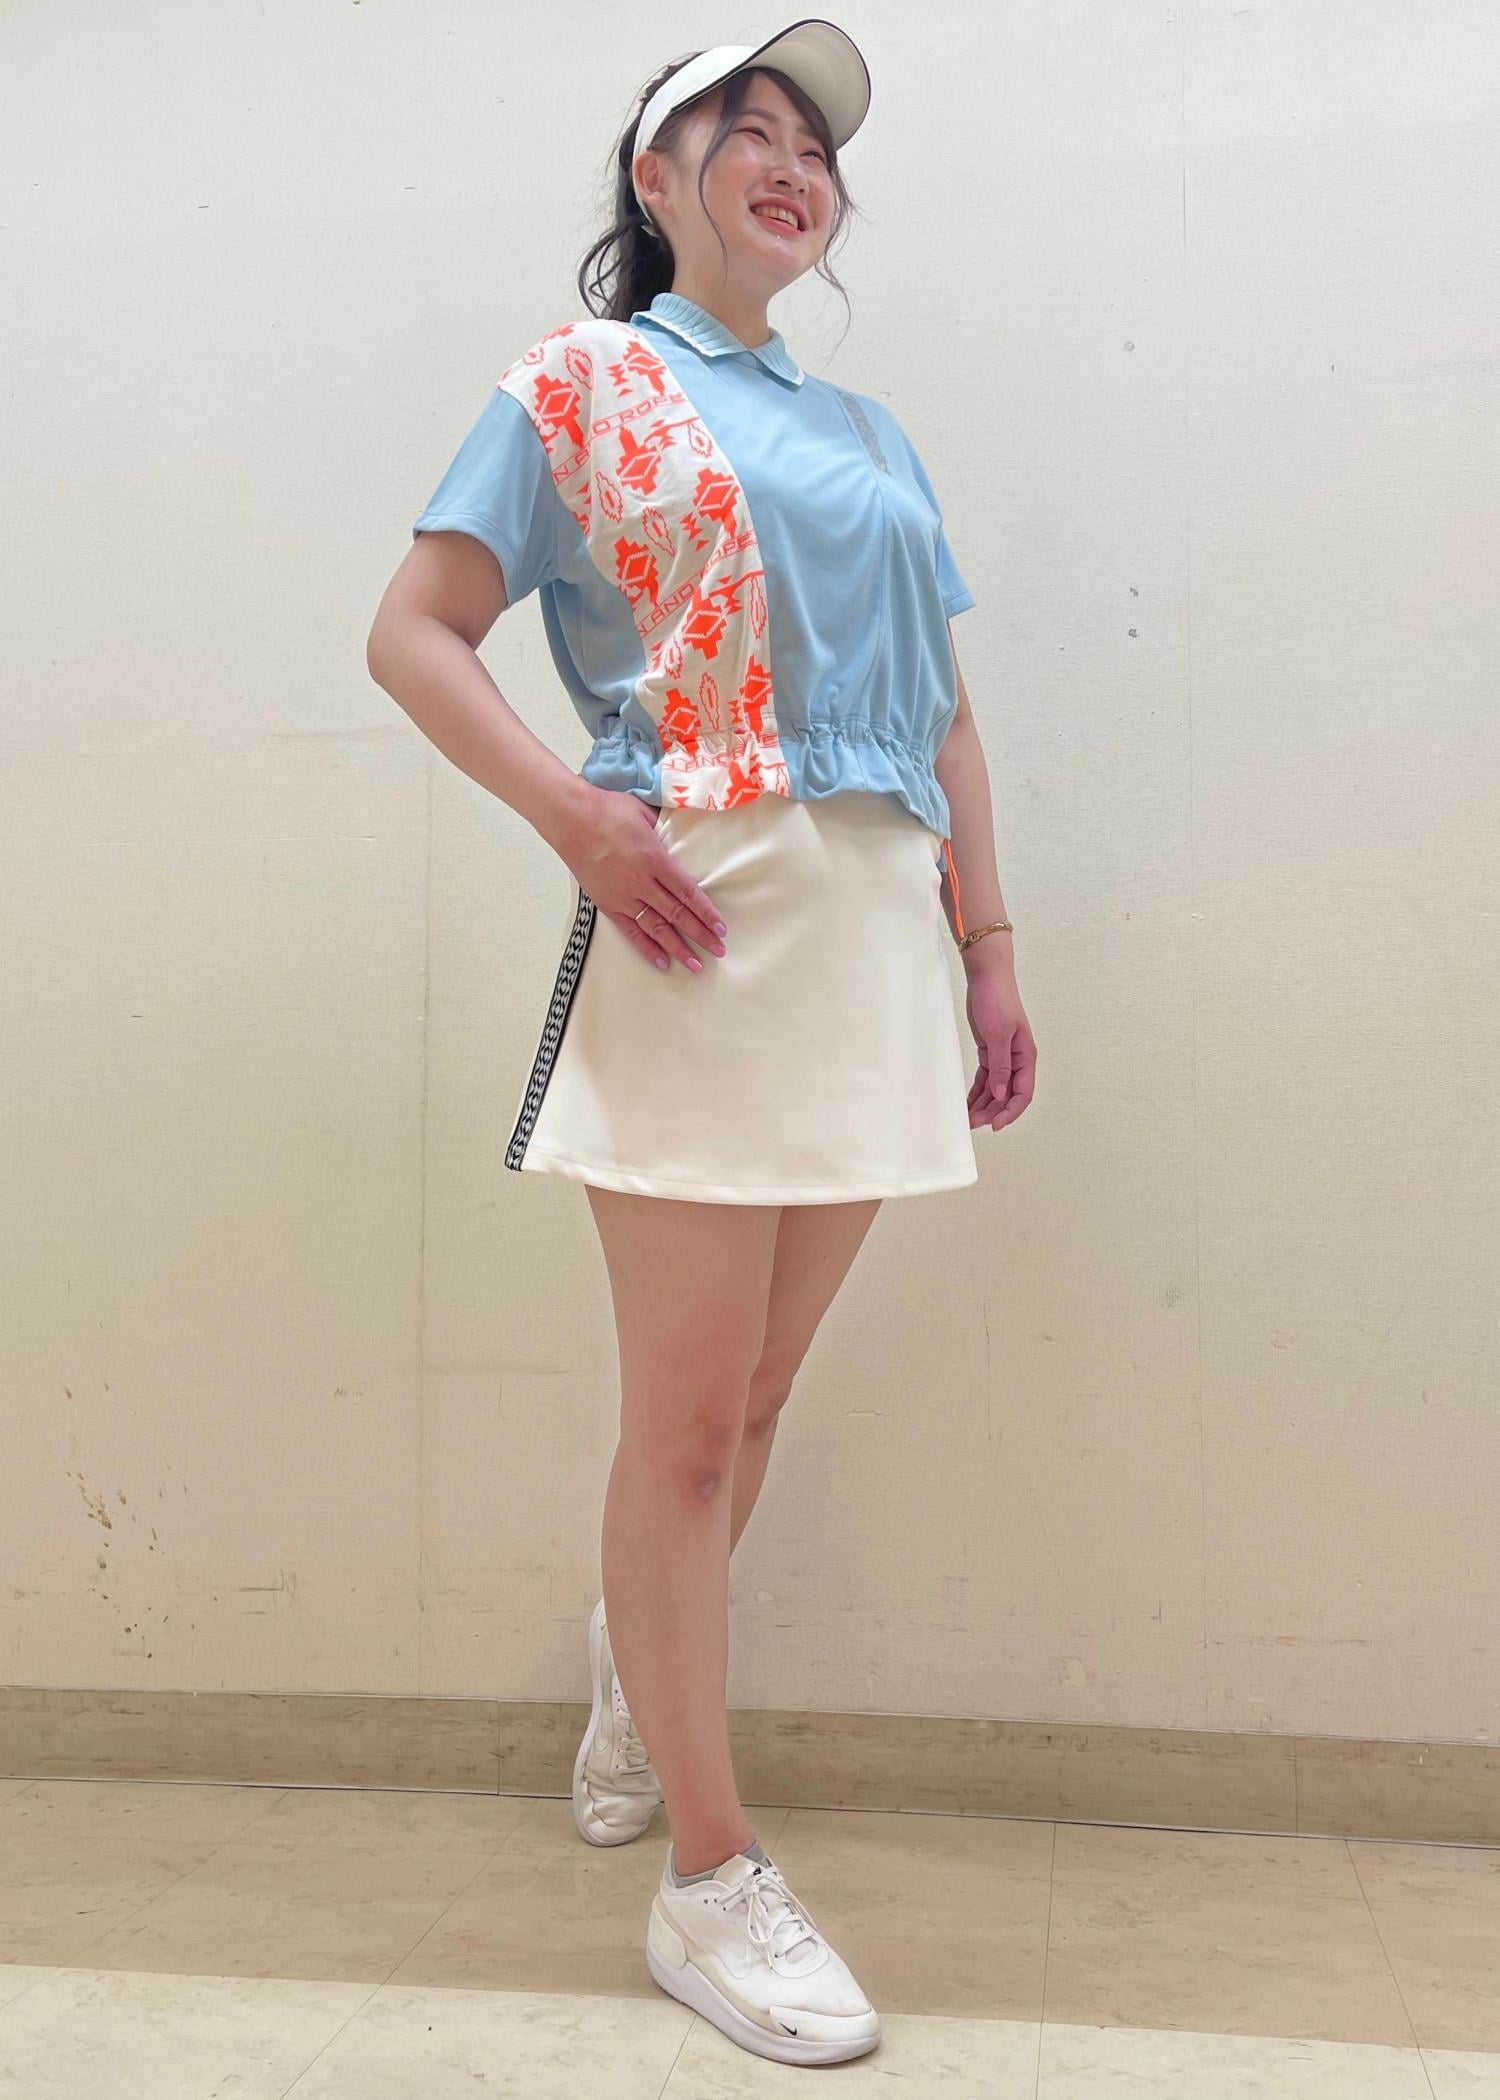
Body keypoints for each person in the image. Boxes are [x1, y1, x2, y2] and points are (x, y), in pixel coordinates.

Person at [367, 19, 1036, 2069]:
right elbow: (412, 630)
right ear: (655, 181)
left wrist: (989, 946)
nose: (792, 161)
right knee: (678, 1424)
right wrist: (575, 818)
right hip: (703, 920)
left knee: (751, 1399)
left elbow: (943, 711)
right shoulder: (577, 383)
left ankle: (630, 1680)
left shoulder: (874, 435)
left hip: (877, 938)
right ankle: (708, 1881)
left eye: (814, 141)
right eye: (747, 127)